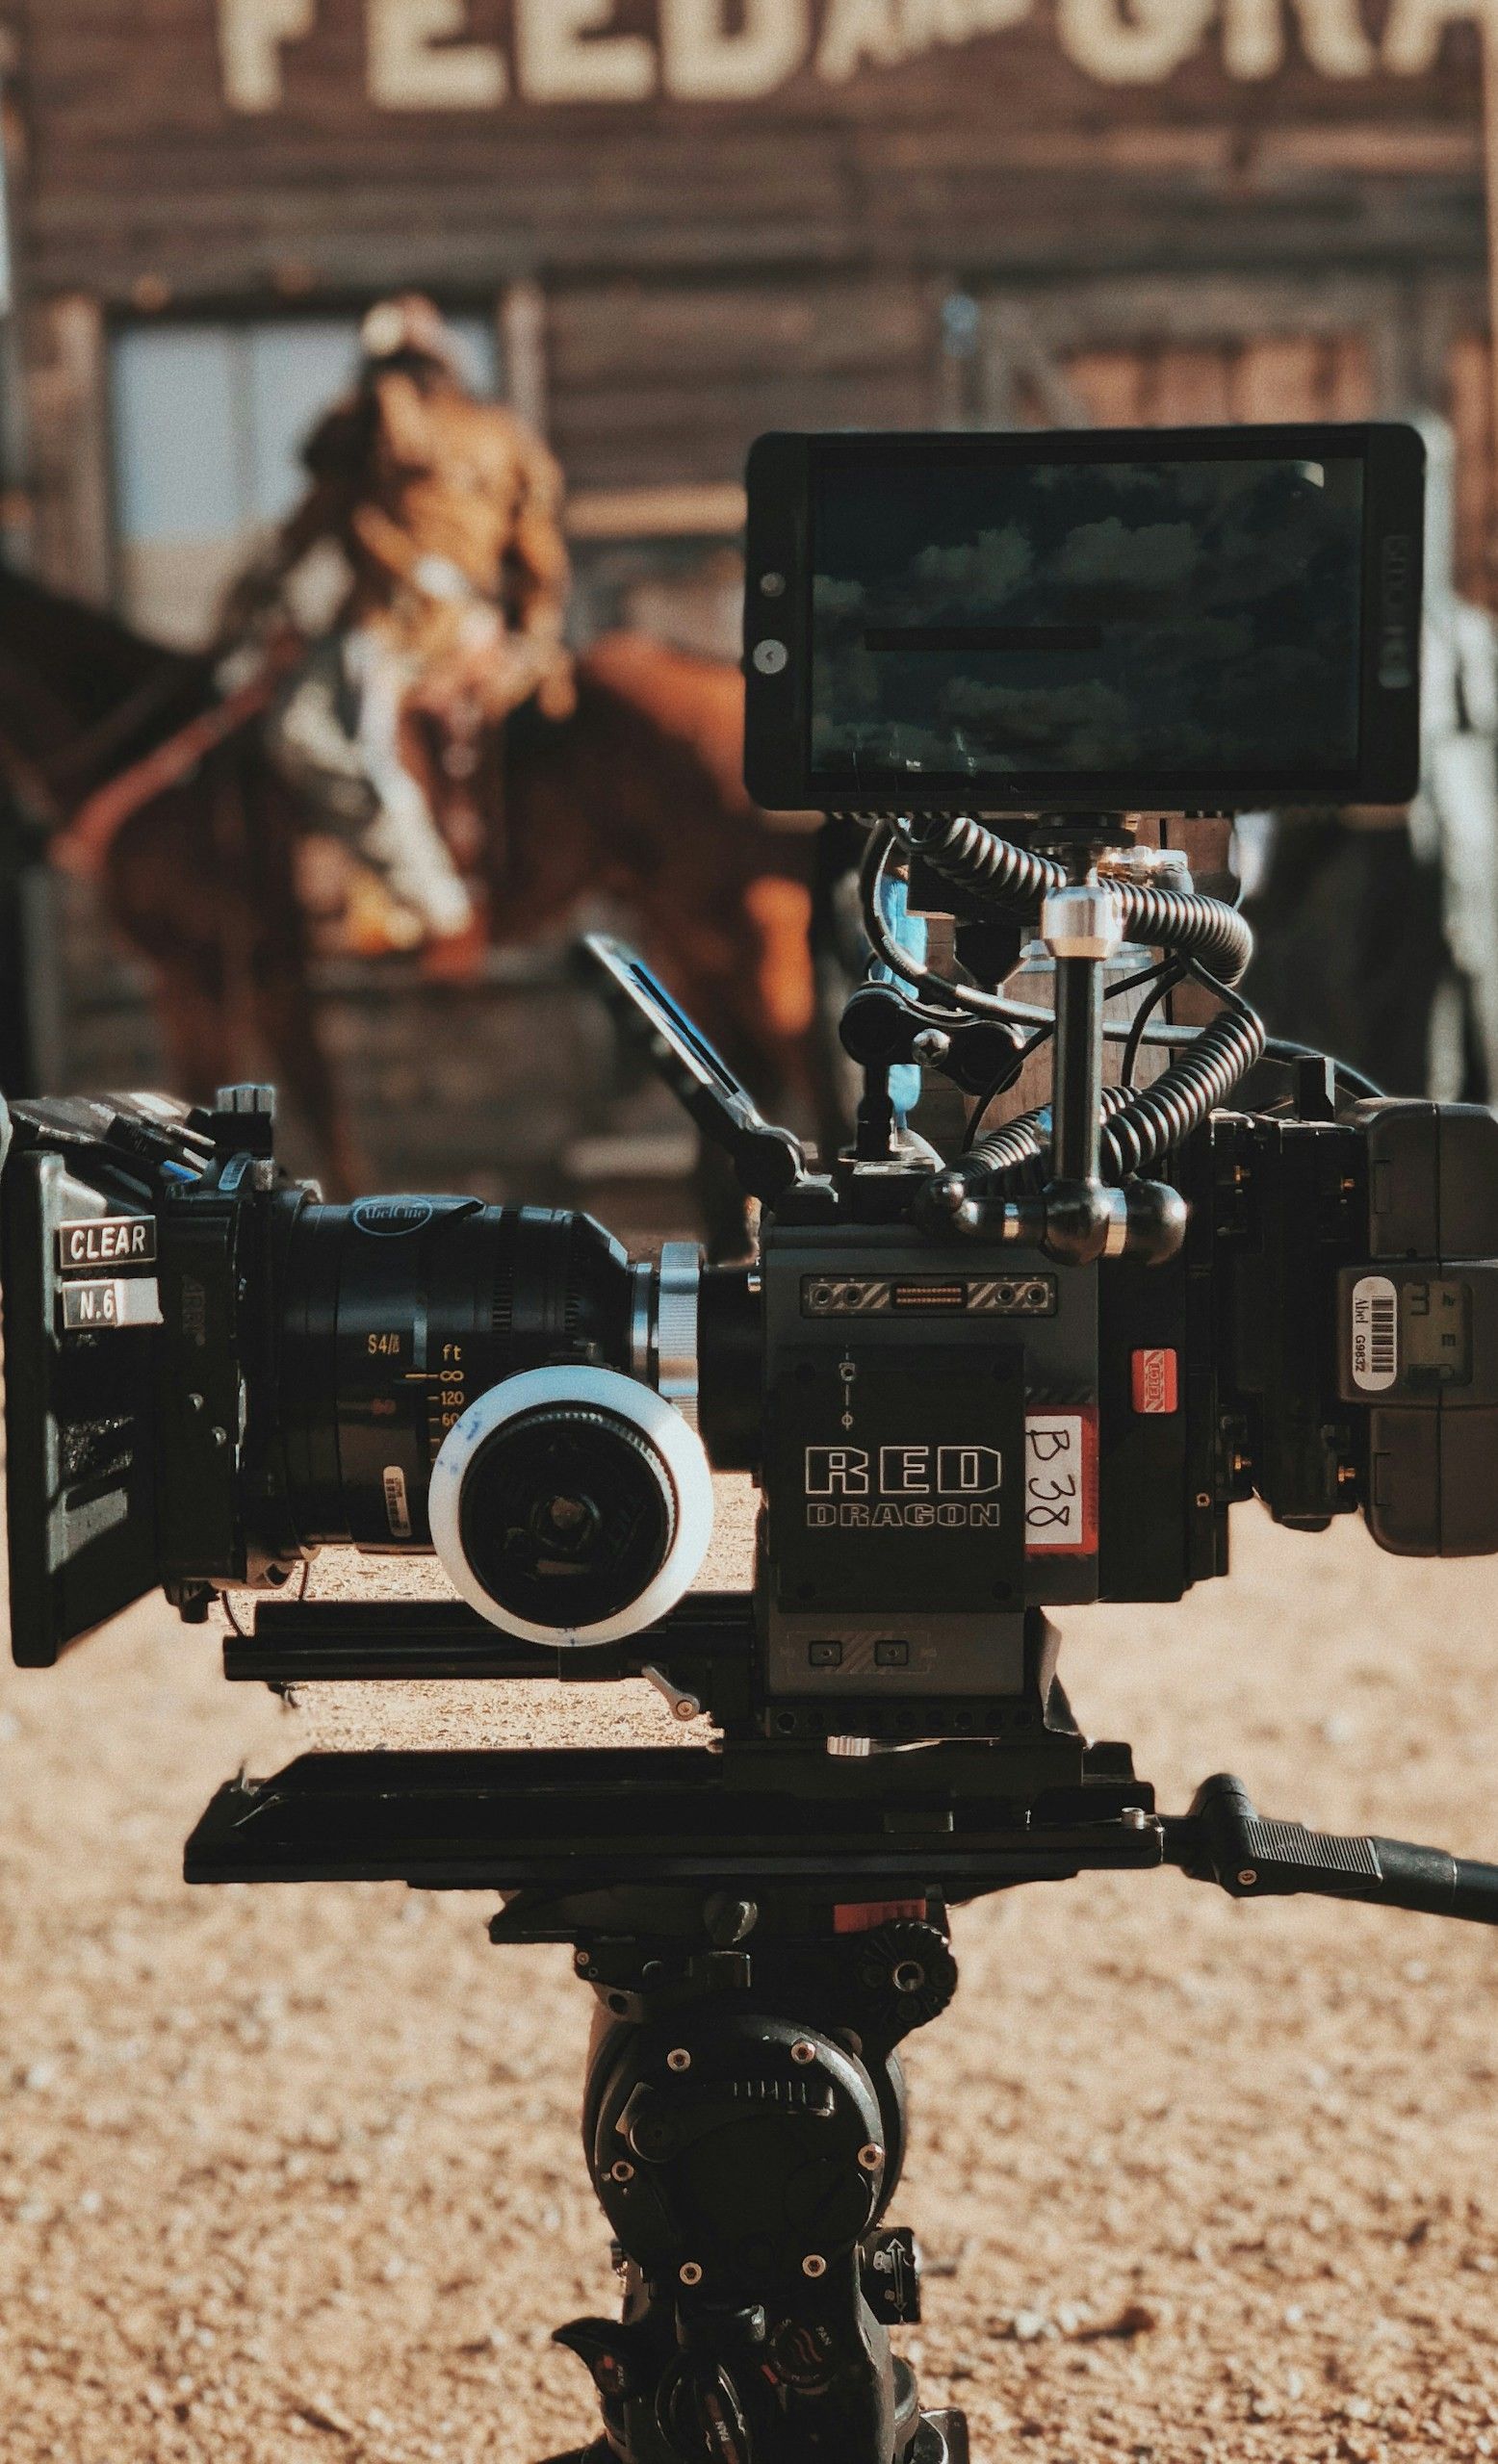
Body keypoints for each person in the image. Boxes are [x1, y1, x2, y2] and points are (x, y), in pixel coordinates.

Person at [216, 295, 575, 956]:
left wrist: (244, 604)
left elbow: (302, 533)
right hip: (473, 629)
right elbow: (540, 559)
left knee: (304, 731)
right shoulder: (502, 433)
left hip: (393, 631)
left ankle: (426, 890)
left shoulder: (361, 434)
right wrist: (533, 635)